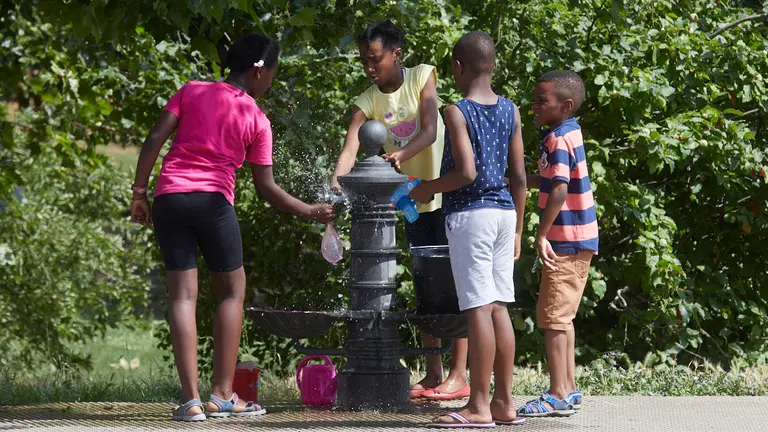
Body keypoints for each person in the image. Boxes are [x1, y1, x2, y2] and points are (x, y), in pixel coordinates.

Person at [129, 33, 335, 422]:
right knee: (231, 293)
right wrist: (309, 210)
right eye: (273, 72)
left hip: (170, 199)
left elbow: (155, 138)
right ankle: (222, 395)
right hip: (213, 204)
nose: (272, 80)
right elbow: (266, 188)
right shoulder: (256, 118)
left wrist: (139, 193)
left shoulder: (191, 90)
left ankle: (190, 401)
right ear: (259, 70)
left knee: (182, 296)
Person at [331, 20, 469, 400]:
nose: (370, 67)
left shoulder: (422, 77)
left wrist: (400, 156)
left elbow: (430, 130)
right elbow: (349, 148)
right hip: (410, 202)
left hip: (442, 193)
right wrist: (336, 186)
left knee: (454, 283)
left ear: (397, 54)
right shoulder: (367, 100)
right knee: (425, 282)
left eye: (375, 59)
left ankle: (459, 374)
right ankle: (433, 371)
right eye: (364, 60)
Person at [410, 31, 526, 427]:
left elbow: (466, 172)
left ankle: (478, 406)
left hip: (471, 216)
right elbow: (519, 177)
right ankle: (504, 404)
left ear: (458, 67)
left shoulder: (456, 111)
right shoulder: (511, 110)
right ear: (493, 65)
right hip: (505, 214)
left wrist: (428, 188)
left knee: (478, 308)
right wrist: (519, 229)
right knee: (499, 308)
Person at [516, 70, 598, 418]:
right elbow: (551, 180)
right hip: (578, 238)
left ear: (565, 105)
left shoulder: (557, 140)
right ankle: (569, 389)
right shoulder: (570, 132)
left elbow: (560, 189)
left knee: (552, 319)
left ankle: (557, 394)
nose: (534, 106)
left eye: (542, 101)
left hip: (564, 240)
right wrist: (516, 179)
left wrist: (541, 234)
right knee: (563, 318)